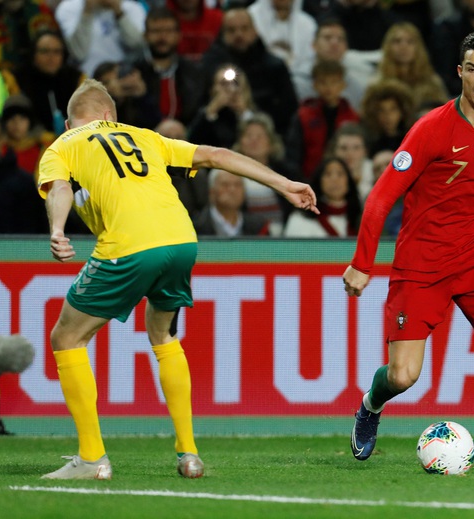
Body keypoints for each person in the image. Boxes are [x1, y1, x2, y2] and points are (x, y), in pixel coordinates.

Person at [37, 79, 318, 480]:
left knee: (66, 337)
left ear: (71, 121)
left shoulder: (63, 144)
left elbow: (59, 188)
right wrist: (284, 183)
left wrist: (58, 229)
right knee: (163, 336)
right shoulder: (145, 136)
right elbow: (216, 155)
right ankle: (189, 454)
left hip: (129, 245)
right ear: (109, 117)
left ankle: (92, 458)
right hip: (182, 241)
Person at [343, 27, 474, 474]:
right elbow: (381, 197)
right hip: (420, 266)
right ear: (460, 72)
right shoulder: (431, 129)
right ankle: (370, 404)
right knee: (403, 376)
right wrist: (363, 264)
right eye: (473, 69)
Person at [200, 6, 298, 135]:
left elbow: (288, 111)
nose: (239, 35)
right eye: (231, 30)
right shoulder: (209, 65)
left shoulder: (274, 67)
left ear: (255, 31)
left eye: (244, 28)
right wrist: (214, 107)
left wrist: (248, 112)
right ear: (222, 34)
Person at [285, 60, 360, 179]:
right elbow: (293, 155)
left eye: (334, 82)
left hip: (344, 180)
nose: (329, 88)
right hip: (309, 180)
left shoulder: (352, 117)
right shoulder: (303, 116)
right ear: (315, 85)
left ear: (343, 85)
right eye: (323, 82)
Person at [133, 7, 205, 126]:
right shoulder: (134, 71)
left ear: (178, 35)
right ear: (145, 35)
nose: (162, 37)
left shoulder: (194, 72)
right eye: (156, 31)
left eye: (168, 31)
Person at [11, 29, 84, 135]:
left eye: (57, 52)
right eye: (44, 51)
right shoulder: (17, 79)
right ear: (33, 54)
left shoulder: (76, 79)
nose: (51, 57)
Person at [55, 0, 147, 77]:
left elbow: (137, 46)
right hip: (86, 80)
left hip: (123, 78)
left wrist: (119, 13)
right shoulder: (67, 8)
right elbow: (79, 53)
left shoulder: (133, 8)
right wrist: (87, 11)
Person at [284, 156, 361, 237]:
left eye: (340, 174)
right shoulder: (300, 218)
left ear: (349, 182)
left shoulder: (360, 218)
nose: (334, 179)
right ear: (319, 181)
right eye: (328, 174)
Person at [193, 169, 270, 236]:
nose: (232, 190)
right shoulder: (194, 227)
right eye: (225, 185)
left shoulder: (259, 227)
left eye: (237, 185)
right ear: (212, 192)